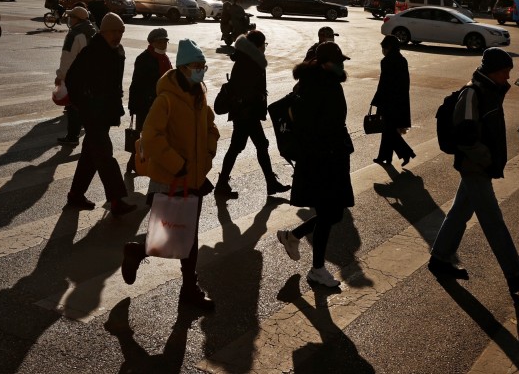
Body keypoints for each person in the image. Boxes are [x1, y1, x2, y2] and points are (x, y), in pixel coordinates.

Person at [428, 47, 519, 294]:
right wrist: (487, 158)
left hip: (479, 166)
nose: (507, 77)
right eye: (503, 72)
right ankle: (515, 276)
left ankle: (439, 259)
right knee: (493, 222)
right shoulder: (473, 93)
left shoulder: (490, 90)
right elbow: (465, 136)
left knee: (459, 213)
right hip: (474, 167)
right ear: (491, 71)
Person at [121, 39, 220, 310]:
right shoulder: (167, 99)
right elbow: (150, 137)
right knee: (179, 235)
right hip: (171, 178)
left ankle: (188, 289)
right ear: (183, 69)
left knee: (185, 235)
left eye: (203, 66)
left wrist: (208, 155)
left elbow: (211, 128)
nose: (201, 70)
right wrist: (177, 164)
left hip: (195, 177)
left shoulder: (199, 96)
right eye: (197, 66)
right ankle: (140, 253)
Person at [275, 42, 354, 288]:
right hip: (321, 159)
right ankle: (317, 269)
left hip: (332, 156)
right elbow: (310, 125)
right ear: (323, 63)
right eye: (336, 61)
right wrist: (327, 144)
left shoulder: (327, 82)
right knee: (330, 212)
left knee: (334, 213)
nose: (341, 65)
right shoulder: (314, 85)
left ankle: (293, 236)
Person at [63, 12, 137, 216]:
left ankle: (76, 194)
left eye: (121, 32)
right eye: (114, 31)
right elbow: (71, 79)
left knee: (89, 155)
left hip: (106, 112)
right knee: (105, 154)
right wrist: (83, 104)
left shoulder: (117, 52)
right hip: (92, 113)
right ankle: (116, 199)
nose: (118, 36)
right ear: (104, 31)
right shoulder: (91, 51)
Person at [214, 30, 290, 199]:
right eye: (264, 44)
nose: (265, 47)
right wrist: (258, 96)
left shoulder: (246, 58)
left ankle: (270, 182)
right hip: (246, 113)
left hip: (247, 112)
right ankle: (222, 184)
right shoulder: (249, 61)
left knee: (256, 146)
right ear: (257, 46)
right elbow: (244, 89)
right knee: (243, 147)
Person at [126, 28, 172, 174]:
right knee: (145, 137)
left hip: (162, 105)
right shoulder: (143, 58)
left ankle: (144, 164)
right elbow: (136, 84)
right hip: (146, 106)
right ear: (152, 42)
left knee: (157, 137)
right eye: (160, 41)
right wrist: (133, 106)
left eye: (165, 41)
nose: (163, 44)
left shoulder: (165, 58)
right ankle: (134, 163)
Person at [371, 34, 416, 167]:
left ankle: (406, 152)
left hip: (388, 101)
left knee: (388, 130)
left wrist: (376, 100)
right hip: (400, 100)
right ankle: (384, 157)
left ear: (388, 47)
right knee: (388, 129)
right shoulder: (402, 60)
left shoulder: (386, 61)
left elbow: (383, 83)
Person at [56, 6, 94, 146]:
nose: (69, 19)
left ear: (78, 19)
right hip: (90, 75)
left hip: (75, 76)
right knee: (86, 105)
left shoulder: (73, 35)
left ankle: (72, 136)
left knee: (73, 106)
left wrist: (60, 76)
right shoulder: (92, 31)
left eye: (72, 17)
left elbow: (67, 58)